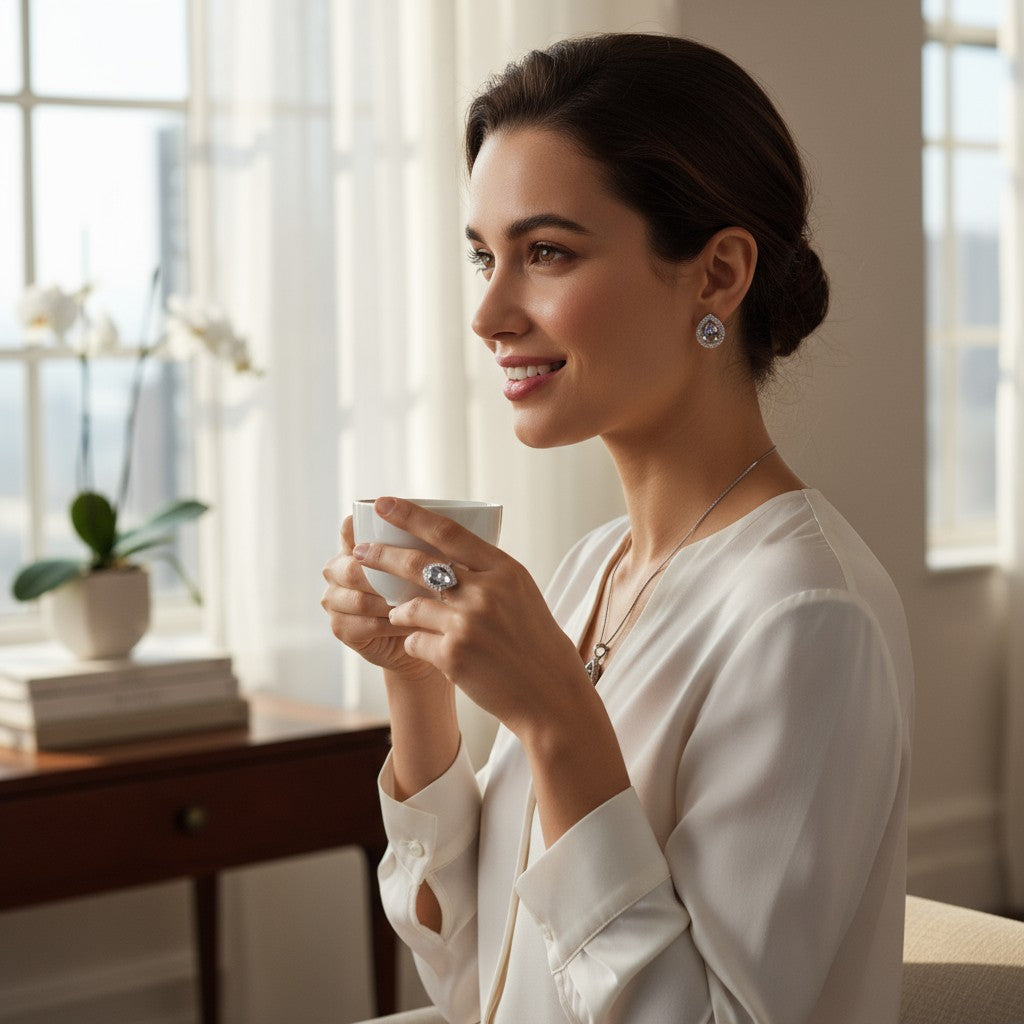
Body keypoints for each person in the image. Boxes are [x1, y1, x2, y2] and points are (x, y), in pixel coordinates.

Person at [322, 33, 913, 1024]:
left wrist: (558, 717)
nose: (490, 313)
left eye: (545, 252)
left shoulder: (804, 614)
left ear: (717, 275)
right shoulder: (593, 567)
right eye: (483, 257)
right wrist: (418, 684)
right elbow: (476, 978)